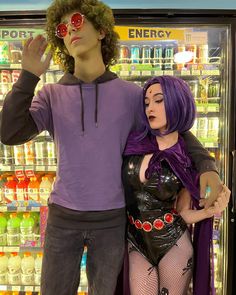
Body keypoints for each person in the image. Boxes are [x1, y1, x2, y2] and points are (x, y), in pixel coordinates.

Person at [0, 0, 222, 294]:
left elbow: (175, 132)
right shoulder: (51, 95)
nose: (70, 31)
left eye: (77, 21)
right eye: (63, 29)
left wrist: (208, 167)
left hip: (113, 219)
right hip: (63, 217)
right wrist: (28, 77)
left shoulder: (132, 96)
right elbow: (10, 132)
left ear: (102, 29)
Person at [122, 75, 230, 295]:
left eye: (159, 100)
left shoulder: (186, 158)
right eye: (147, 102)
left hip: (175, 244)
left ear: (176, 102)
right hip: (136, 241)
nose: (150, 107)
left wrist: (211, 210)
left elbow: (182, 213)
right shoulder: (132, 143)